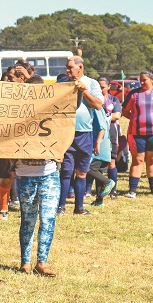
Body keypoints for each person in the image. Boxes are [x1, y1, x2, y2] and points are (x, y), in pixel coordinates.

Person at [57, 56, 103, 214]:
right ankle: (60, 207)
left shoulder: (92, 83)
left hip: (85, 134)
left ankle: (79, 207)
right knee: (65, 171)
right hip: (66, 133)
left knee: (82, 172)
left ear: (80, 68)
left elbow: (98, 105)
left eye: (70, 67)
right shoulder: (61, 83)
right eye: (67, 67)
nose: (67, 70)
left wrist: (84, 90)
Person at [122, 70, 153, 198]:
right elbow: (125, 111)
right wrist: (136, 119)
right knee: (138, 160)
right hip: (136, 133)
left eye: (145, 80)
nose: (142, 82)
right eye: (140, 80)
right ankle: (132, 190)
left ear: (152, 80)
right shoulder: (133, 94)